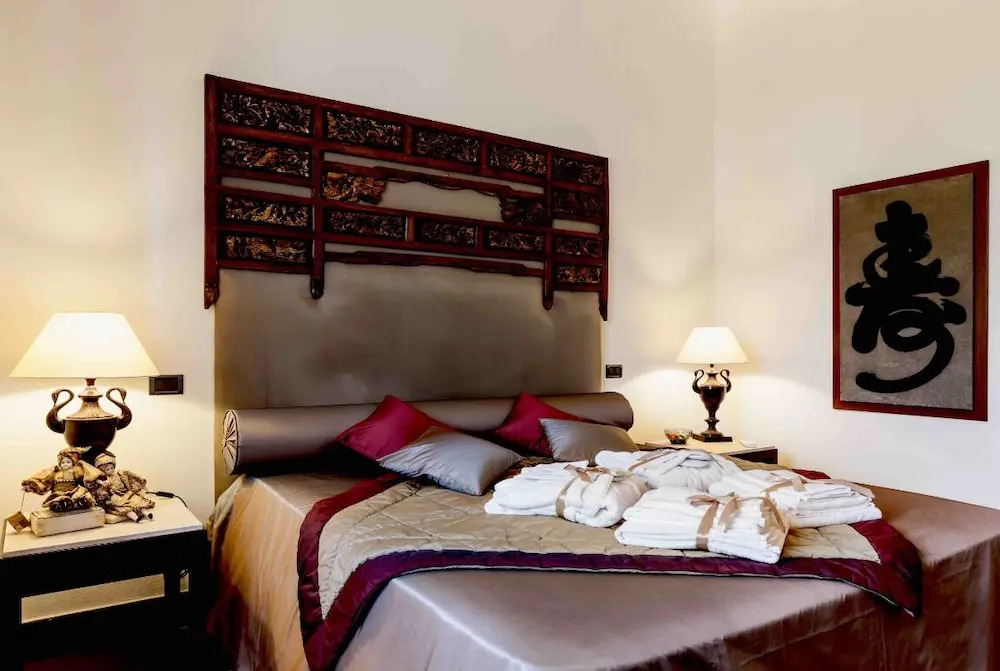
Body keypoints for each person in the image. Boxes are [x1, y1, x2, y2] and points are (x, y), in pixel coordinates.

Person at [21, 448, 104, 513]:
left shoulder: (75, 471)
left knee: (81, 495)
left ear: (73, 463)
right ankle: (60, 505)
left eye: (68, 462)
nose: (65, 464)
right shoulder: (54, 472)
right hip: (58, 493)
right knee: (59, 500)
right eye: (63, 462)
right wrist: (30, 486)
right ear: (60, 463)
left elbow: (87, 476)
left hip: (73, 492)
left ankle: (80, 503)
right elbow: (43, 481)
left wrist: (98, 481)